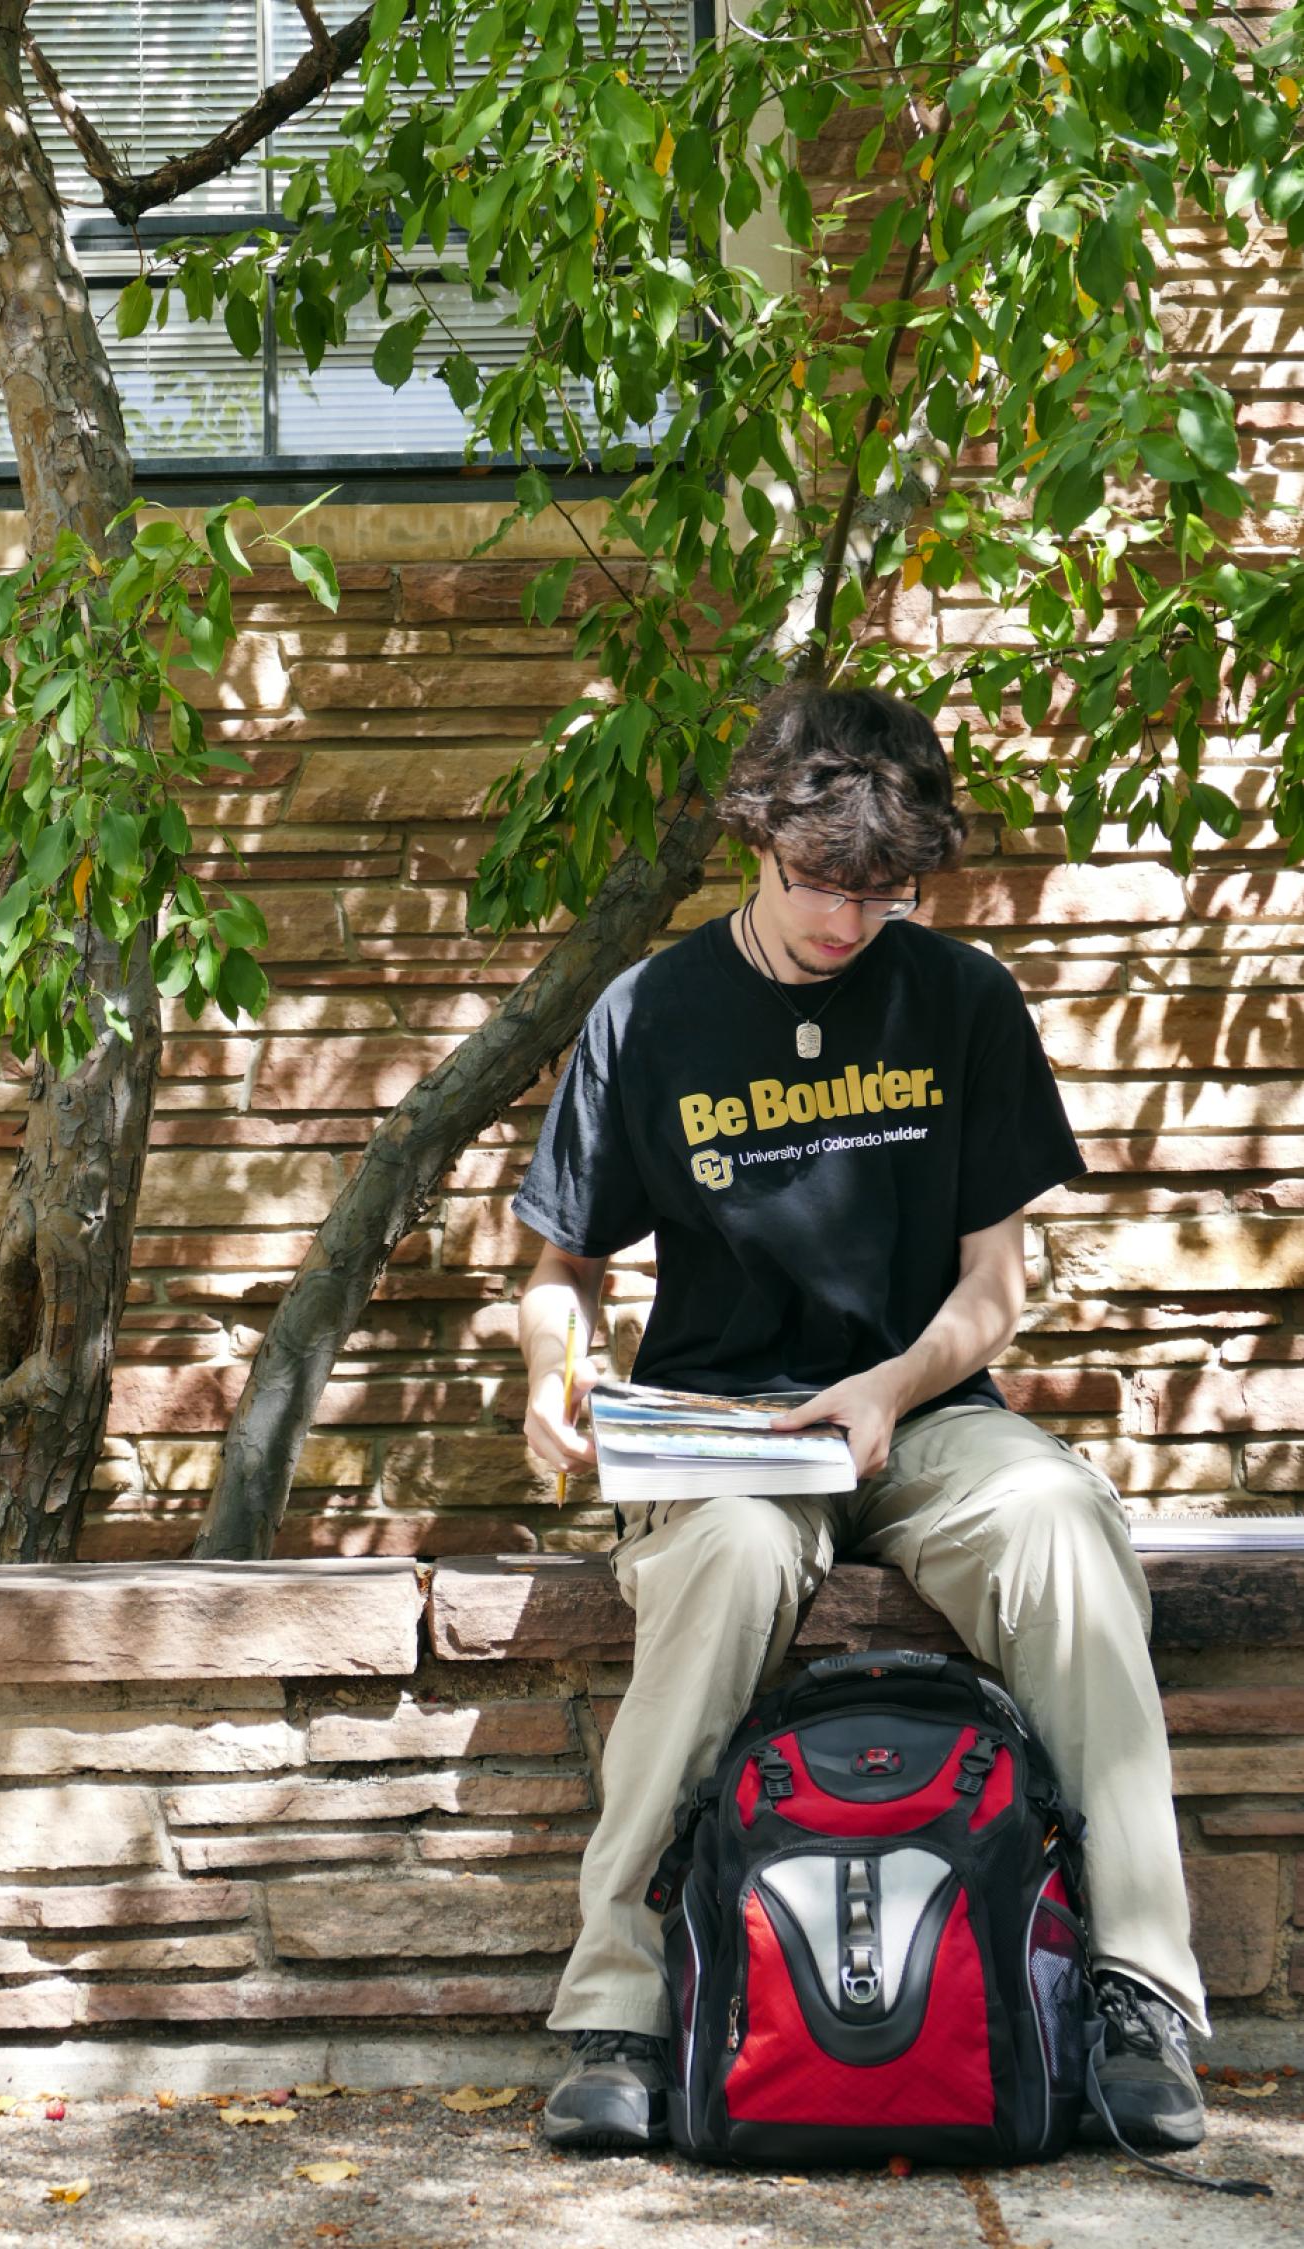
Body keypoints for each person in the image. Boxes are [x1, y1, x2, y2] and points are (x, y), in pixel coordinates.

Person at [512, 683, 1208, 2157]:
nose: (851, 920)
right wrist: (548, 1374)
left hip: (928, 1412)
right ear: (758, 834)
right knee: (728, 1564)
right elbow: (558, 1265)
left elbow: (995, 1286)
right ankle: (622, 2009)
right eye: (827, 883)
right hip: (729, 1427)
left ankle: (1137, 1995)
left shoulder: (961, 997)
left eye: (883, 892)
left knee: (1064, 1528)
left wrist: (891, 1389)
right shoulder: (653, 1012)